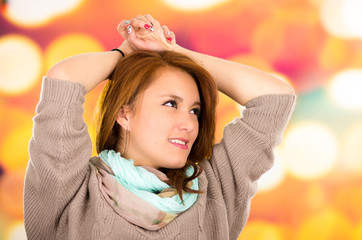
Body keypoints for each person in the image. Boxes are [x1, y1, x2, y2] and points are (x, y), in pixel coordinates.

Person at [24, 14, 296, 239]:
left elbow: (275, 98)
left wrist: (173, 51)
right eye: (170, 104)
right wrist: (125, 53)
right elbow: (64, 79)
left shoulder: (216, 188)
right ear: (124, 114)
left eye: (195, 110)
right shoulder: (70, 187)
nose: (189, 123)